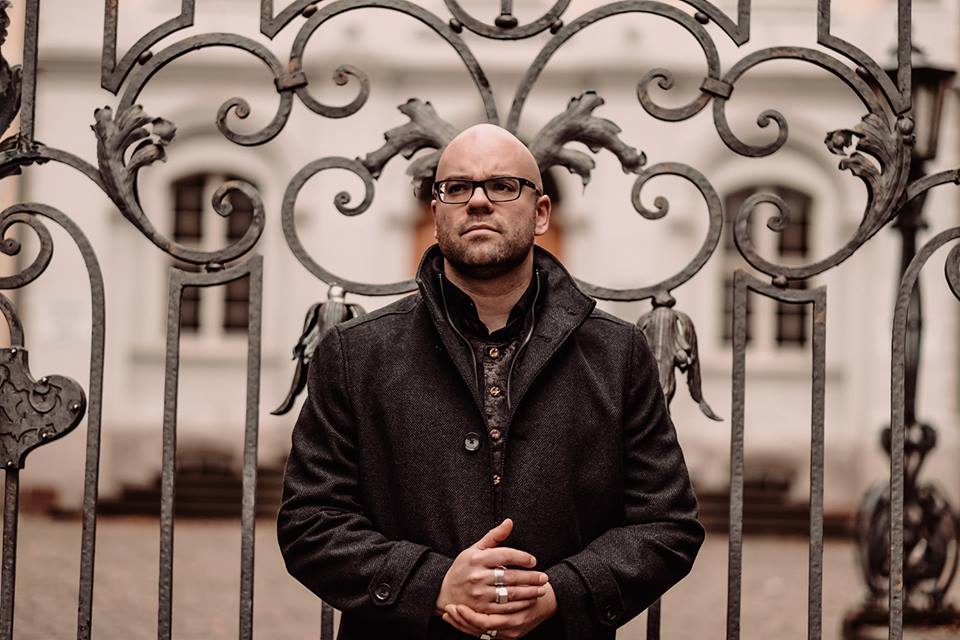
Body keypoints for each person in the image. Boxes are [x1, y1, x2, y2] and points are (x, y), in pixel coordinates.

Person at [277, 124, 704, 640]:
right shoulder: (355, 353)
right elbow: (310, 521)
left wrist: (561, 593)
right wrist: (431, 585)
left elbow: (668, 523)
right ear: (436, 214)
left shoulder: (617, 353)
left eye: (503, 186)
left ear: (541, 213)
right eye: (457, 188)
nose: (478, 201)